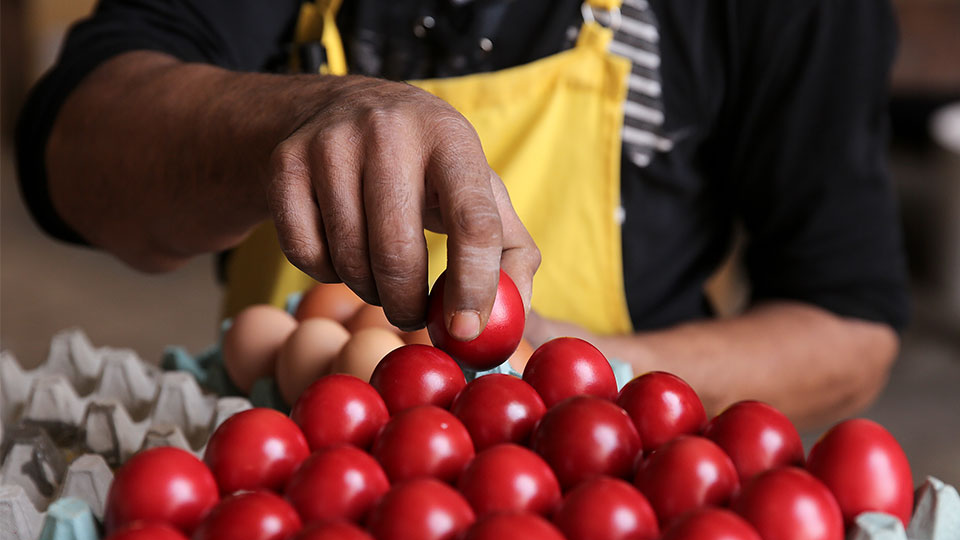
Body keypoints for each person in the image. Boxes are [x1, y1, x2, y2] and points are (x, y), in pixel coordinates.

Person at [16, 0, 908, 427]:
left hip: (602, 484)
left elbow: (848, 324)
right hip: (283, 466)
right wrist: (283, 123)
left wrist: (568, 367)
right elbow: (73, 152)